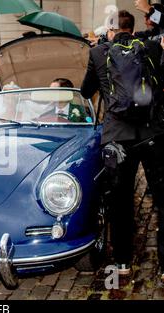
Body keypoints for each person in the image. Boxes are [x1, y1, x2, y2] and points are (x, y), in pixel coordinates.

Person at [81, 10, 164, 282]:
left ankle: (123, 262)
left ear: (110, 28)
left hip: (117, 137)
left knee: (120, 201)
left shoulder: (97, 53)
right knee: (161, 200)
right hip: (151, 133)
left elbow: (85, 91)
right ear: (133, 26)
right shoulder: (151, 47)